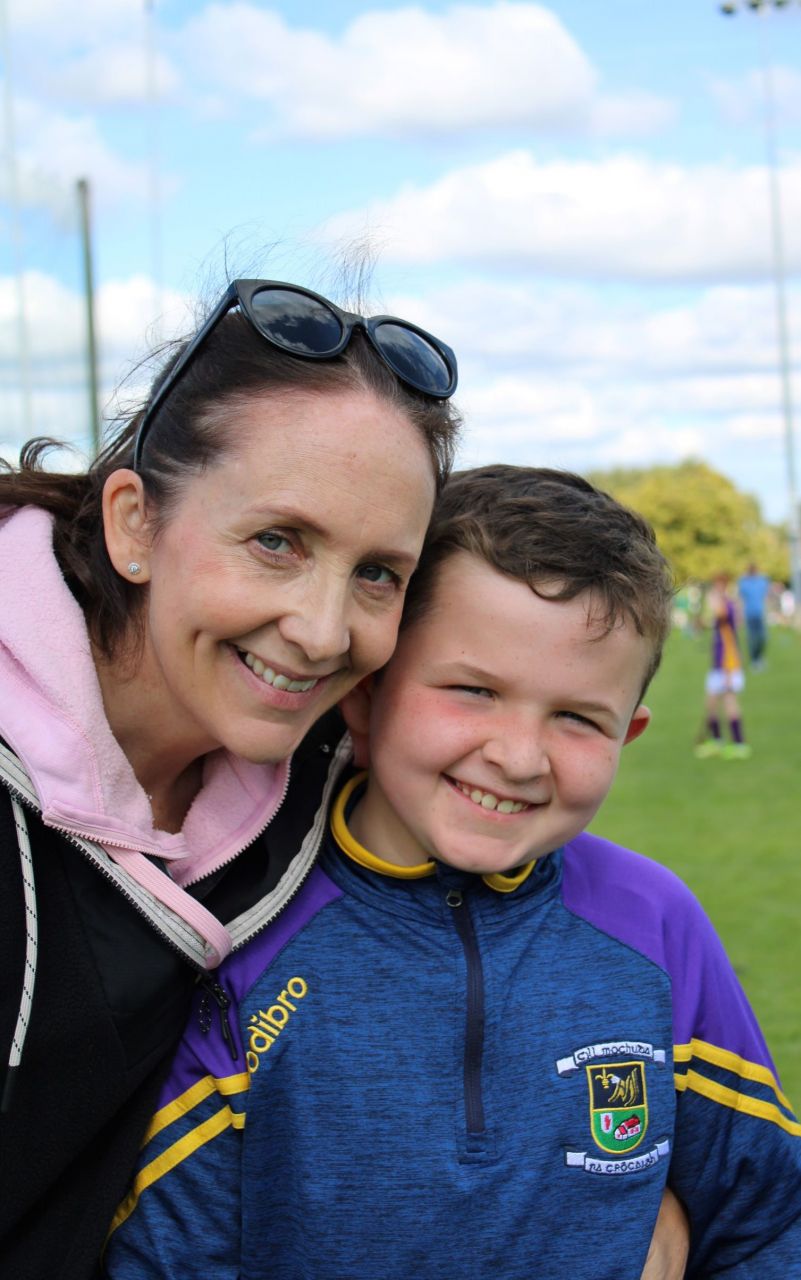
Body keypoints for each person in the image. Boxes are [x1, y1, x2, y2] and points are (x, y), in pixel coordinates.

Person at [103, 466, 801, 1280]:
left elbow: (769, 1222)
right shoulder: (237, 934)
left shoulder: (653, 924)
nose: (516, 756)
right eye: (472, 691)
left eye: (577, 717)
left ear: (628, 734)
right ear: (364, 698)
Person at [0, 276, 463, 1280]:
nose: (323, 628)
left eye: (378, 571)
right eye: (277, 541)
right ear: (133, 523)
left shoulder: (320, 782)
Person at [694, 572, 751, 760]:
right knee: (711, 703)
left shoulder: (726, 607)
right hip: (719, 664)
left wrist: (728, 670)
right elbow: (707, 622)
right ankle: (716, 741)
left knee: (729, 703)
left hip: (728, 664)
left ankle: (739, 744)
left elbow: (722, 619)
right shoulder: (724, 608)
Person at [737, 562, 771, 669]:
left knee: (762, 637)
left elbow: (767, 594)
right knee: (751, 638)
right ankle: (754, 660)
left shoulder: (762, 581)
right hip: (749, 614)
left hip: (760, 613)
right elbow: (740, 598)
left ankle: (759, 657)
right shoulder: (744, 582)